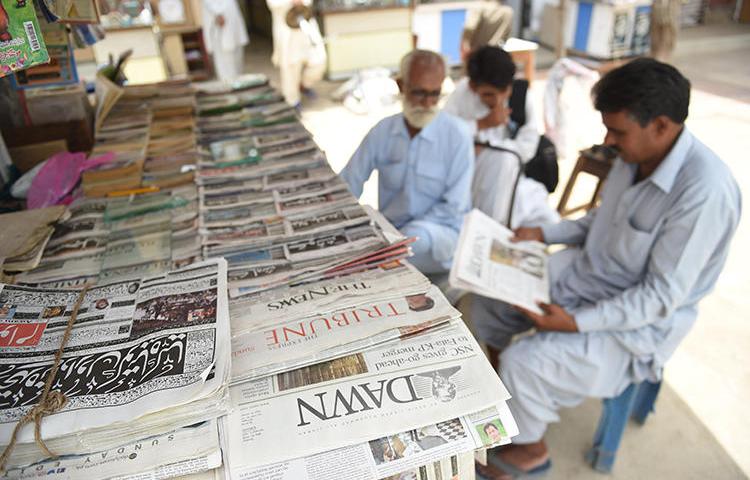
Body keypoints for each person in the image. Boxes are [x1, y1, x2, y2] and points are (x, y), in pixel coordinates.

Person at [471, 58, 741, 478]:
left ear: (663, 126)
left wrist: (575, 324)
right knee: (488, 300)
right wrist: (543, 234)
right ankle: (513, 401)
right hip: (587, 273)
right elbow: (601, 219)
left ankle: (531, 452)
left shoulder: (704, 192)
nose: (608, 140)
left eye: (618, 131)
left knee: (527, 363)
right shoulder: (635, 154)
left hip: (637, 325)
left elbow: (659, 298)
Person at [340, 50, 473, 275]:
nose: (428, 103)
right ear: (401, 86)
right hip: (390, 233)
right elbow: (349, 182)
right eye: (419, 93)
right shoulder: (383, 131)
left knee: (410, 244)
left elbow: (453, 208)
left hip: (438, 236)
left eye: (435, 94)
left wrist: (401, 236)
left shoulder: (457, 135)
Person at [444, 46, 559, 228]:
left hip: (512, 179)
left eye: (504, 93)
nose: (497, 101)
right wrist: (482, 124)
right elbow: (445, 137)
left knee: (548, 221)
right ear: (473, 86)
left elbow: (527, 146)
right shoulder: (461, 95)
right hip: (469, 177)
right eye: (488, 94)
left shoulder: (521, 96)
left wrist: (493, 149)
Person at [266, 0, 326, 107]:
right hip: (286, 31)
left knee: (319, 60)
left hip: (306, 26)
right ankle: (293, 102)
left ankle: (304, 85)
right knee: (290, 68)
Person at [201, 0, 249, 82]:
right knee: (224, 56)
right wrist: (218, 14)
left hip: (231, 20)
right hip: (220, 22)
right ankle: (228, 81)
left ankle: (237, 80)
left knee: (236, 55)